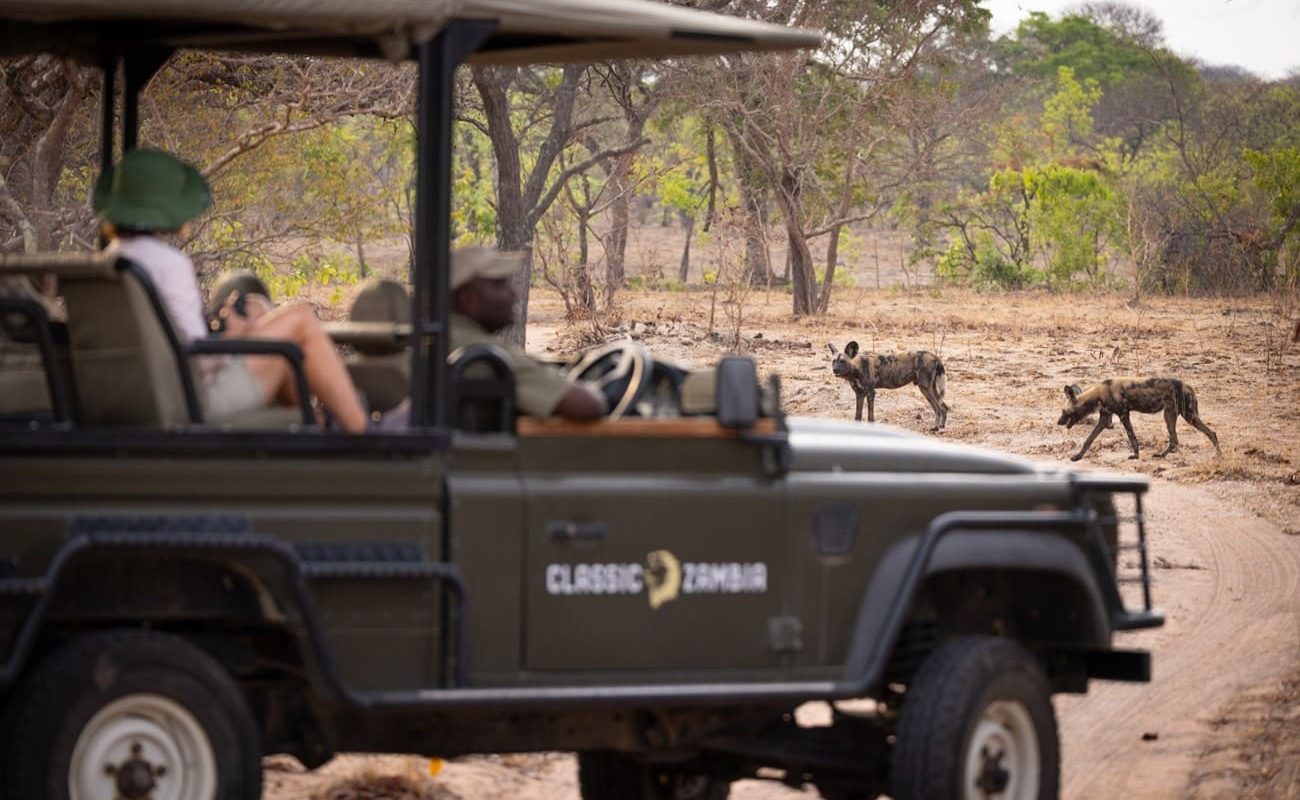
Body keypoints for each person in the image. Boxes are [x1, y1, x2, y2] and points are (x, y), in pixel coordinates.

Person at [93, 148, 369, 432]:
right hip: (192, 399)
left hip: (139, 396)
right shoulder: (169, 265)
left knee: (276, 346)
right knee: (300, 319)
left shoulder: (107, 263)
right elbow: (202, 362)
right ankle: (364, 434)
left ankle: (319, 429)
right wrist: (238, 335)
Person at [449, 248, 606, 419]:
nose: (513, 294)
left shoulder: (447, 337)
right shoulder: (477, 350)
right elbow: (588, 405)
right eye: (499, 285)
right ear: (468, 299)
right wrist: (597, 391)